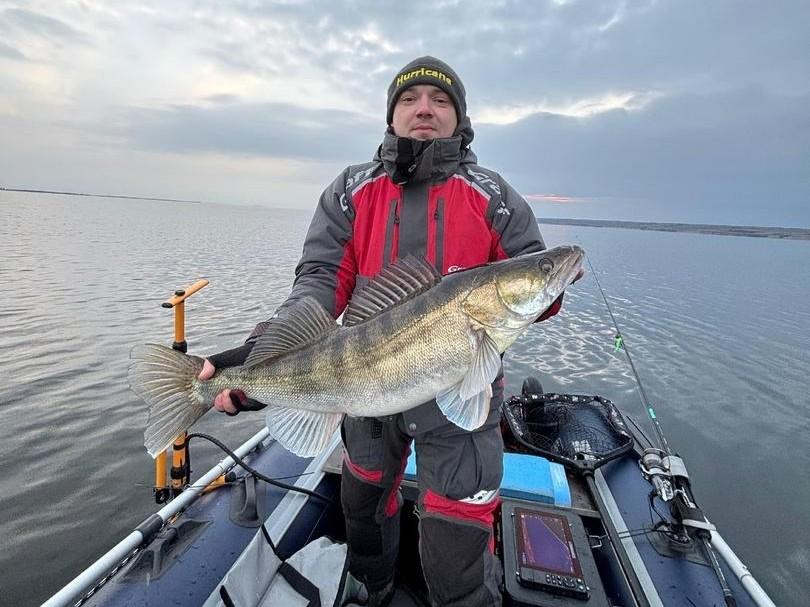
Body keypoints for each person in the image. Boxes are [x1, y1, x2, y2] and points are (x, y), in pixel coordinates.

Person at [199, 56, 576, 607]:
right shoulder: (352, 189)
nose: (424, 108)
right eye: (409, 99)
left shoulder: (494, 195)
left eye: (440, 100)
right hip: (364, 390)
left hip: (462, 390)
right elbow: (320, 280)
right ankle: (371, 591)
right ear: (392, 115)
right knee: (364, 503)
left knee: (459, 530)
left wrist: (551, 282)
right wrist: (259, 354)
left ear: (460, 118)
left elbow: (531, 271)